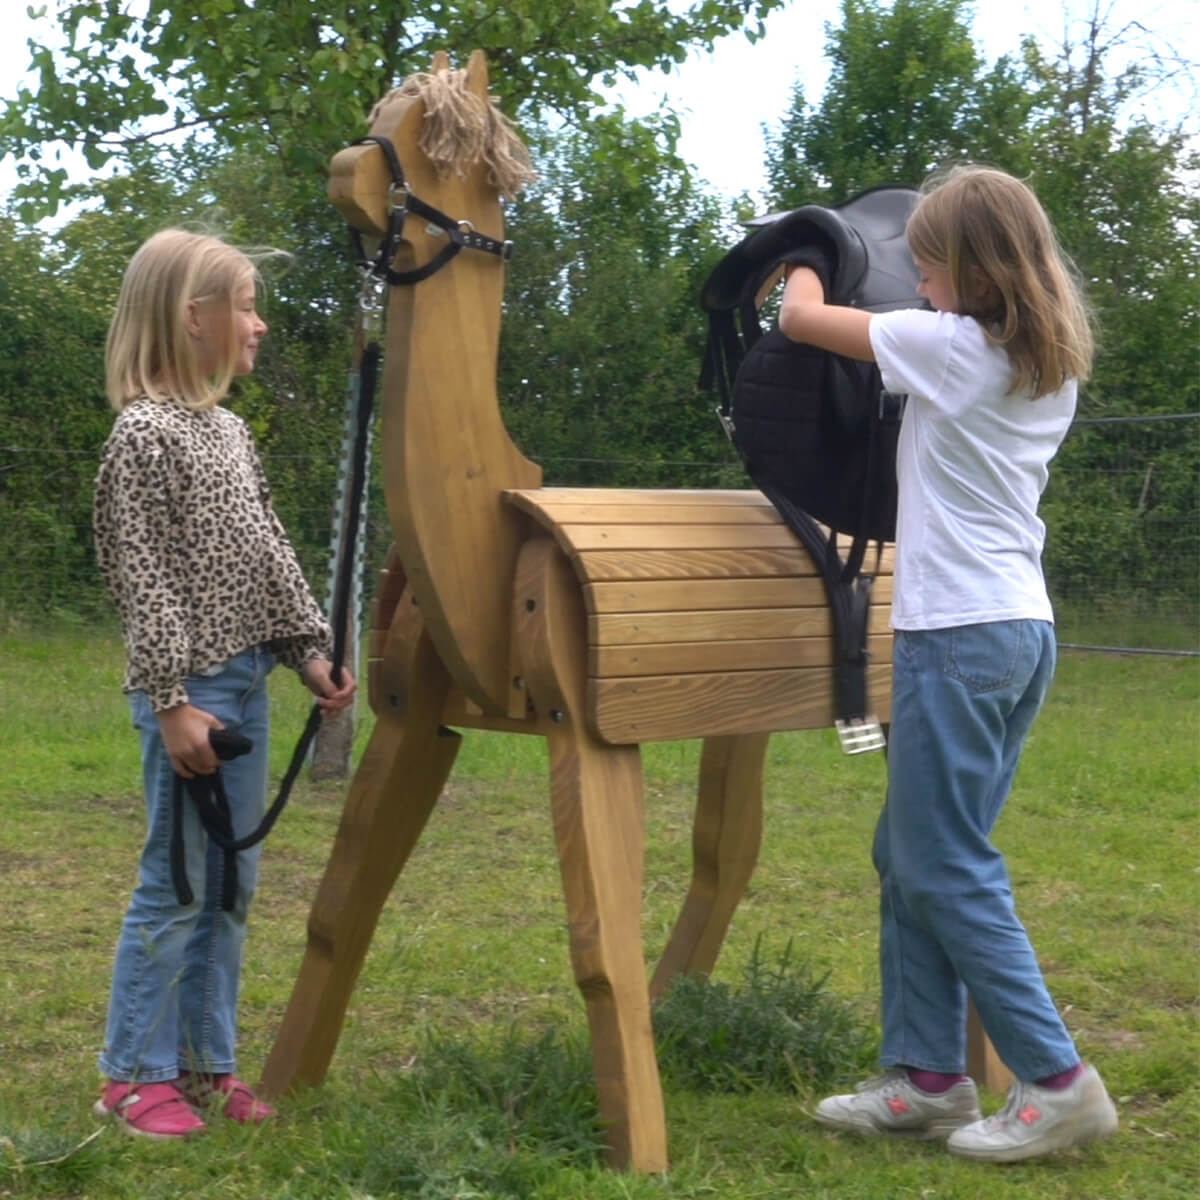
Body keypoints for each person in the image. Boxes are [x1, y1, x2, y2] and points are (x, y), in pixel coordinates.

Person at [778, 166, 1118, 1163]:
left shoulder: (948, 348)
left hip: (957, 638)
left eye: (925, 267)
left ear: (968, 271)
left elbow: (802, 319)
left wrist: (804, 243)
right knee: (914, 852)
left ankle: (1056, 1081)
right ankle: (926, 1077)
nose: (916, 285)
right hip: (1020, 633)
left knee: (942, 862)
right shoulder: (1038, 360)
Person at [92, 229, 357, 1139]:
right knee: (177, 883)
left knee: (231, 884)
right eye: (245, 306)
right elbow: (144, 577)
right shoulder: (144, 435)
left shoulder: (229, 432)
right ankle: (132, 1074)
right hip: (192, 691)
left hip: (244, 681)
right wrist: (170, 702)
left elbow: (268, 556)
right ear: (190, 316)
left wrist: (309, 652)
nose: (261, 325)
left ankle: (206, 1065)